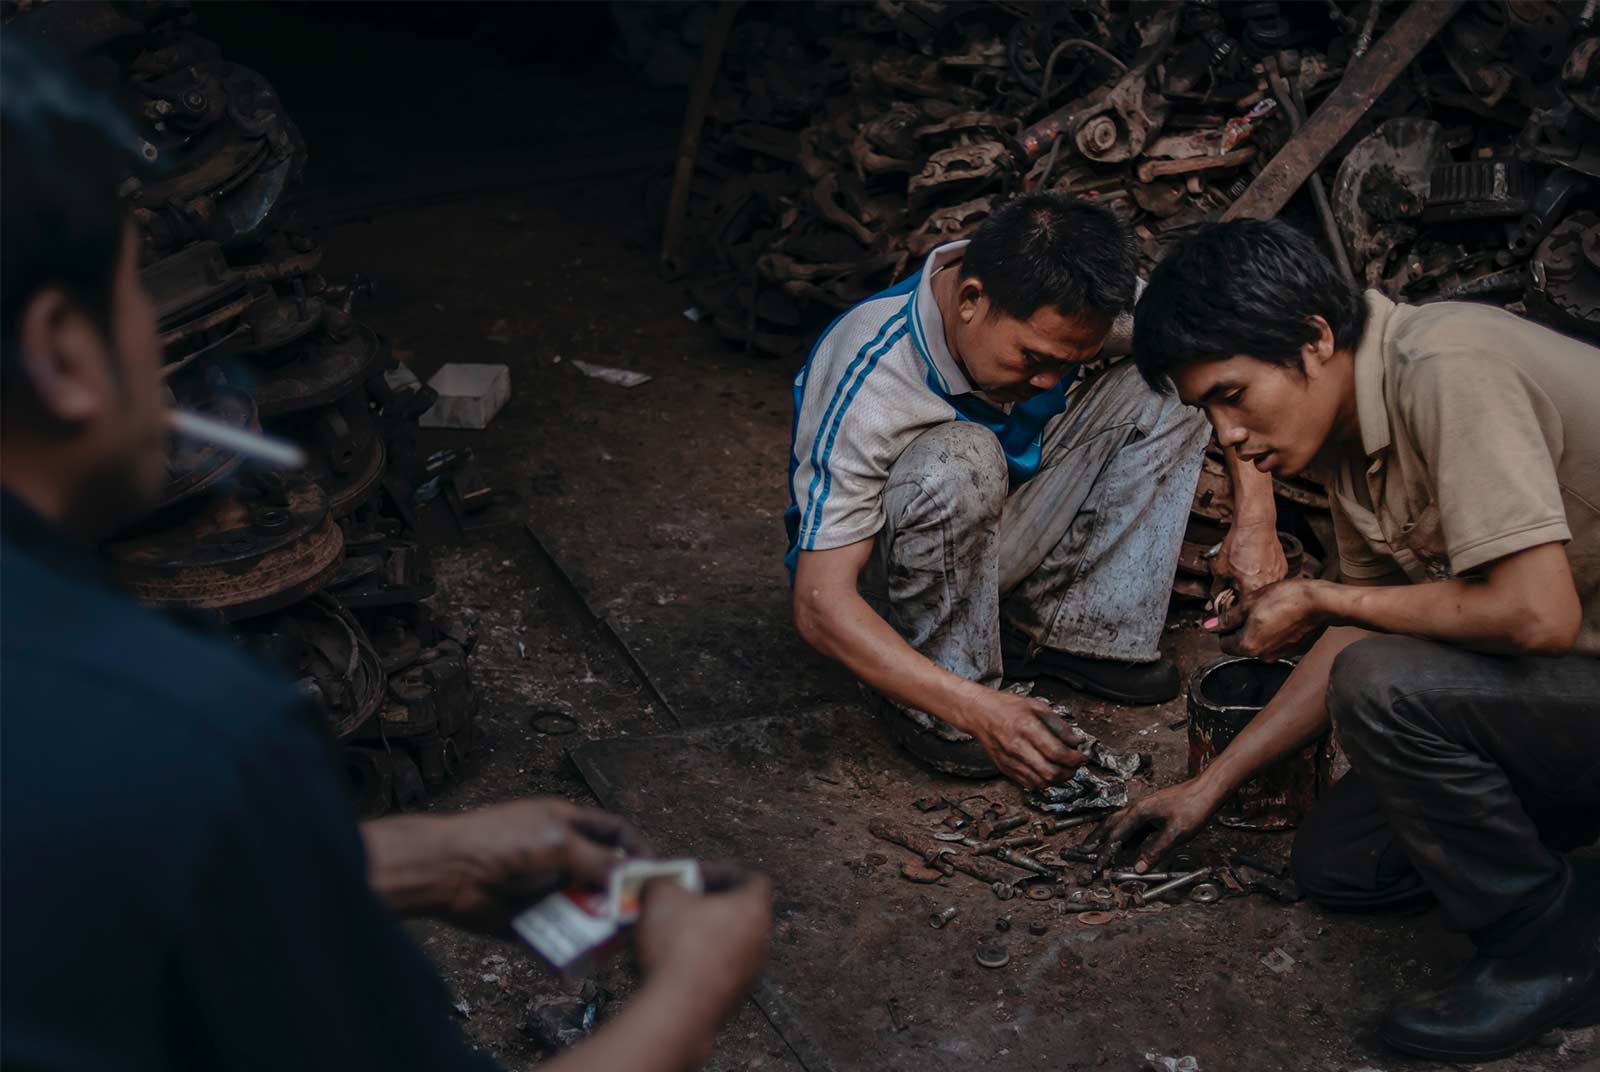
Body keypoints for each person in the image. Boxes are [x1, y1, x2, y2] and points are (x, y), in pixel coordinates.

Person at [0, 37, 771, 1072]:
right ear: (62, 352)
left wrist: (405, 860)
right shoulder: (185, 729)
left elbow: (63, 886)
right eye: (144, 298)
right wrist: (689, 989)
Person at [1099, 218, 1600, 1062]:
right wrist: (1208, 788)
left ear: (1315, 339)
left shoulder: (1447, 369)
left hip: (1571, 661)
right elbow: (1367, 614)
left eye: (1233, 394)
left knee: (1382, 682)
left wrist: (1319, 592)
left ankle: (1547, 953)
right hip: (1576, 685)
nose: (1229, 438)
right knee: (1342, 866)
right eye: (1206, 412)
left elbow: (1534, 616)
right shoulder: (1344, 442)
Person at [787, 194, 1287, 787]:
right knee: (961, 456)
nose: (1050, 380)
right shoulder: (870, 369)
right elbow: (819, 604)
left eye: (1069, 361)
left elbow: (1218, 356)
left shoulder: (1087, 303)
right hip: (888, 566)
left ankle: (1067, 632)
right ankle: (942, 690)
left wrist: (1255, 522)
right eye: (1033, 358)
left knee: (1168, 384)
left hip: (1002, 520)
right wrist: (976, 710)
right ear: (971, 300)